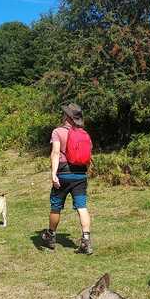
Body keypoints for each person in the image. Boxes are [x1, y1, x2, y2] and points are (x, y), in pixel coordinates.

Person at [41, 103, 93, 255]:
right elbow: (88, 156)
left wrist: (53, 174)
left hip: (63, 174)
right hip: (80, 175)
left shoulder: (58, 132)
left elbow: (55, 153)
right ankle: (86, 240)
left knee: (56, 206)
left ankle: (50, 236)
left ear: (66, 116)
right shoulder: (84, 134)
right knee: (82, 207)